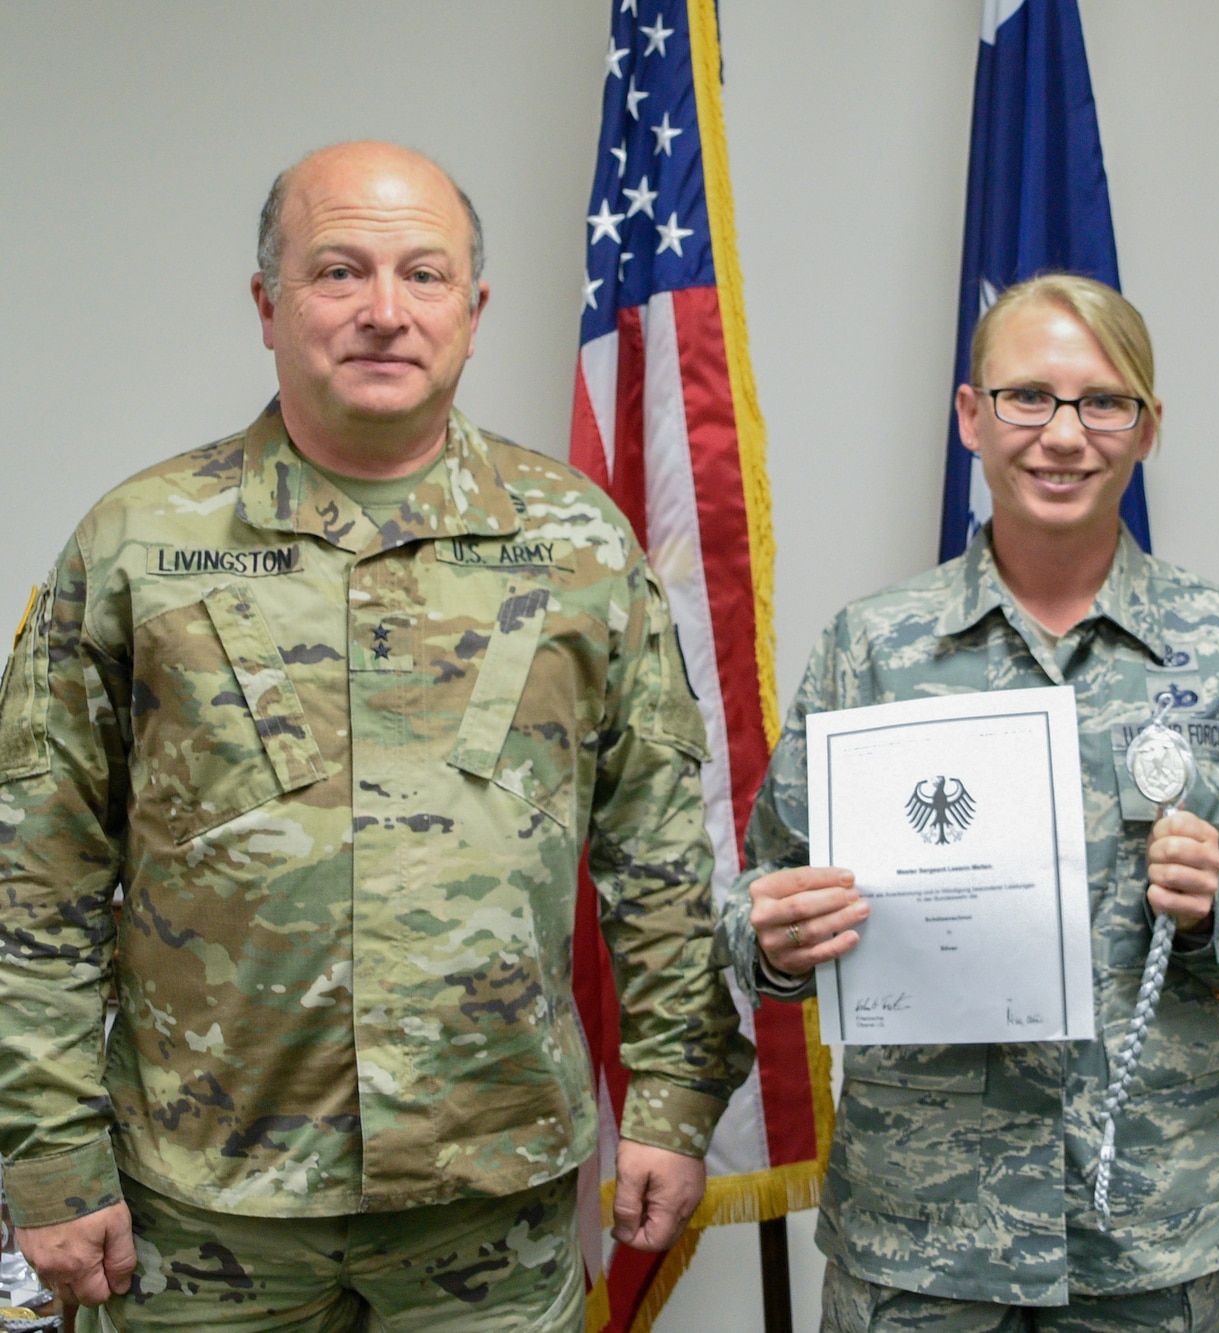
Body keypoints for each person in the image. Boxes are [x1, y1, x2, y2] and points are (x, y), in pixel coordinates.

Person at [0, 141, 750, 1328]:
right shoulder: (133, 544)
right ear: (268, 304)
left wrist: (668, 1096)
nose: (385, 313)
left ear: (473, 308)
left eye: (425, 275)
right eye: (339, 272)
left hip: (488, 1204)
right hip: (200, 1213)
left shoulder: (581, 545)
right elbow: (34, 878)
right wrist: (46, 1157)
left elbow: (660, 855)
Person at [717, 274, 1219, 1331]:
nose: (1063, 435)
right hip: (920, 1235)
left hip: (1148, 1229)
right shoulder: (872, 647)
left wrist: (1217, 908)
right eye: (1027, 397)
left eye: (1102, 402)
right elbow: (753, 907)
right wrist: (780, 937)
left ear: (1147, 429)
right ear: (970, 415)